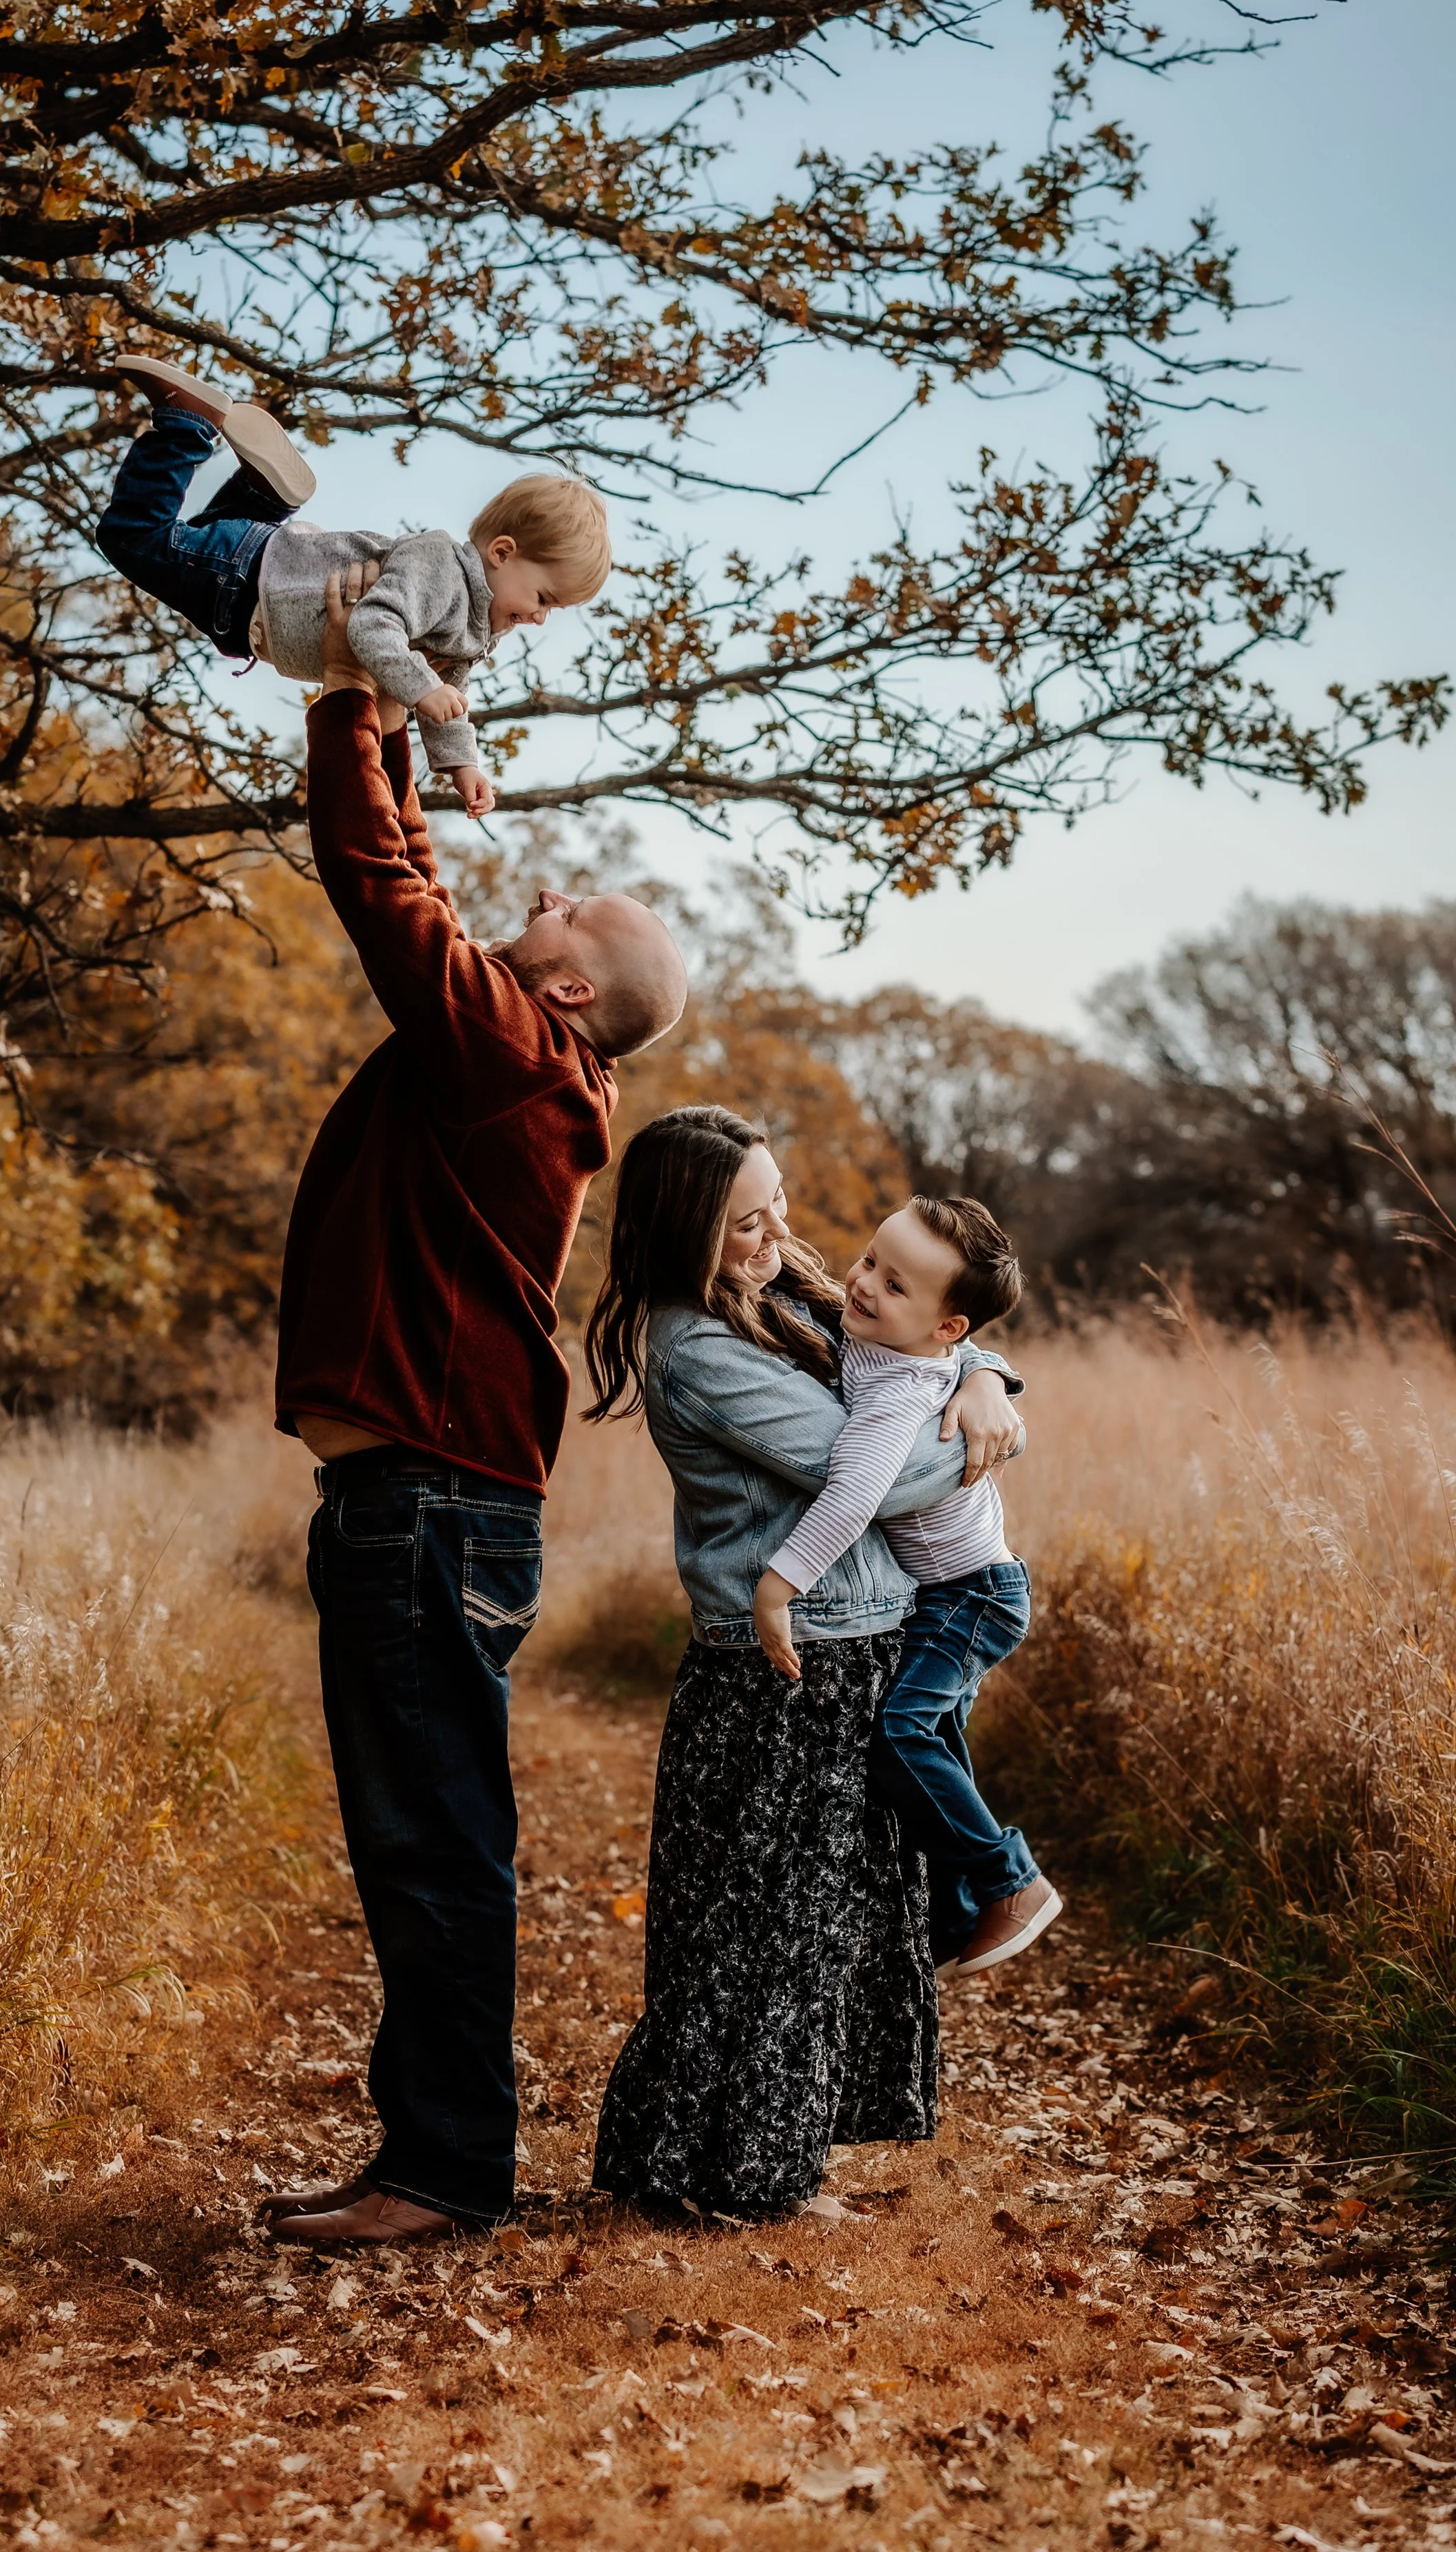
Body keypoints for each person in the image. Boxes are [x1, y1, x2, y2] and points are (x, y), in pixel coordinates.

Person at [264, 573, 687, 2250]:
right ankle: (435, 2154)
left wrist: (351, 701)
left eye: (577, 906)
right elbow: (419, 890)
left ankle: (442, 2169)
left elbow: (387, 886)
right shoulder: (515, 1060)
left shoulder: (513, 1053)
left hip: (427, 1511)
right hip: (426, 1508)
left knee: (430, 1839)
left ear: (572, 991)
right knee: (428, 1832)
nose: (555, 890)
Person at [583, 1106, 1026, 2217]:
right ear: (685, 1230)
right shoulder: (696, 1348)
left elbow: (932, 1344)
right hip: (783, 1667)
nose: (776, 1235)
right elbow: (873, 1473)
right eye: (746, 1223)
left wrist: (985, 1379)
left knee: (820, 1922)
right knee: (762, 1925)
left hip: (851, 1644)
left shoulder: (777, 1295)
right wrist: (991, 1421)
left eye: (778, 1206)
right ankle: (729, 2169)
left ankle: (761, 2158)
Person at [753, 1194, 1061, 1978]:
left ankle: (1010, 1881)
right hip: (957, 1590)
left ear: (945, 1325)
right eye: (868, 1262)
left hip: (972, 1595)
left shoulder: (896, 1397)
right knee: (937, 1748)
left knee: (901, 1737)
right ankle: (955, 1920)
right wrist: (983, 1368)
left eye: (894, 1287)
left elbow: (854, 1498)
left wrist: (778, 1588)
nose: (861, 1286)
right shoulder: (889, 1342)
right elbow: (949, 1351)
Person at [94, 356, 612, 818]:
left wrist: (461, 765)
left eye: (554, 610)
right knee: (134, 539)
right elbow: (372, 624)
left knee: (201, 545)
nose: (542, 617)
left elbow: (449, 700)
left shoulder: (470, 627)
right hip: (255, 585)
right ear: (502, 553)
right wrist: (424, 689)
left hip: (258, 585)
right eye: (544, 598)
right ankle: (188, 425)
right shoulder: (442, 571)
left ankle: (263, 495)